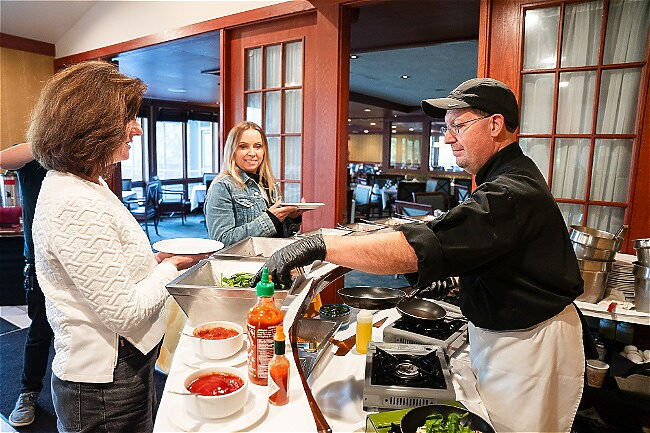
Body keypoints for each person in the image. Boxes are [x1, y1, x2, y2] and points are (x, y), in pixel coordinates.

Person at [255, 78, 588, 433]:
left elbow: (417, 247)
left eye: (458, 126)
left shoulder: (511, 190)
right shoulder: (502, 177)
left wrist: (321, 244)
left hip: (530, 345)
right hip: (505, 335)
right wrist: (457, 281)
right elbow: (487, 247)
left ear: (495, 124)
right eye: (447, 129)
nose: (448, 139)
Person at [28, 61, 208, 433]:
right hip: (104, 380)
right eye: (127, 119)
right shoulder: (73, 202)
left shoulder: (87, 184)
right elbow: (126, 313)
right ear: (92, 125)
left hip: (124, 363)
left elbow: (108, 269)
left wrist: (155, 260)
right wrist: (172, 265)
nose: (137, 129)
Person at [0, 143, 51, 427]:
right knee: (40, 332)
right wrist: (48, 139)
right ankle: (28, 392)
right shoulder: (36, 156)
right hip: (40, 261)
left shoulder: (79, 158)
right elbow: (4, 158)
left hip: (79, 258)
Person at [204, 121, 304, 247]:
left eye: (257, 146)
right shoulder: (222, 187)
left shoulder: (271, 185)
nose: (252, 153)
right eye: (243, 147)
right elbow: (222, 241)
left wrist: (292, 218)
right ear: (232, 151)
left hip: (273, 257)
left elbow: (280, 235)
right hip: (243, 260)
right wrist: (269, 219)